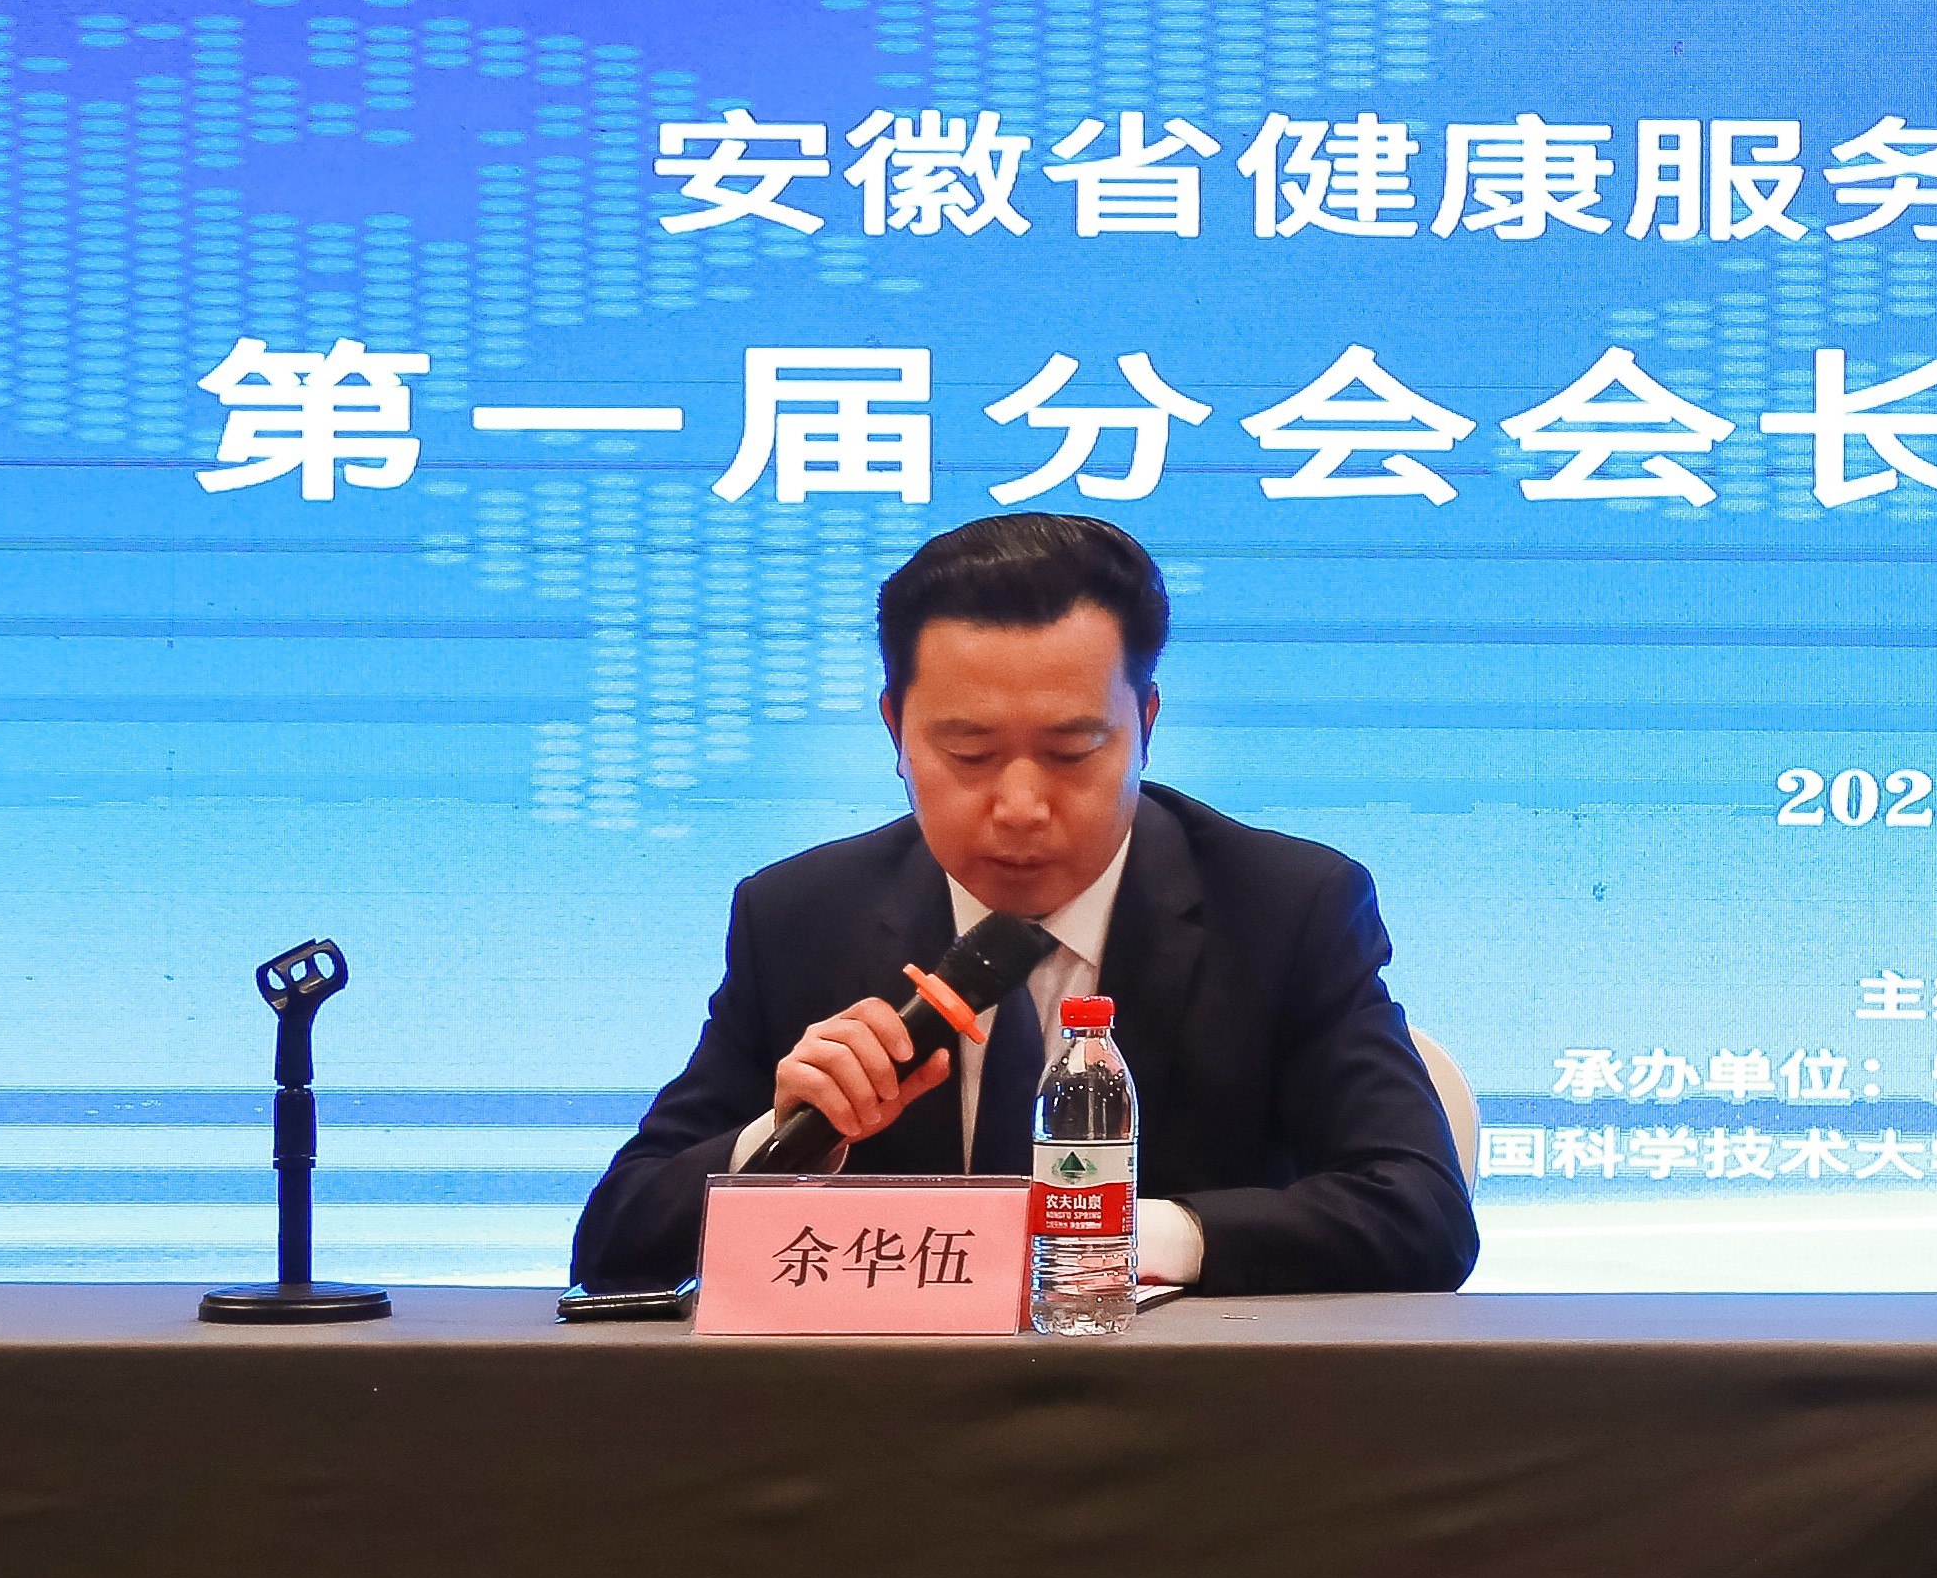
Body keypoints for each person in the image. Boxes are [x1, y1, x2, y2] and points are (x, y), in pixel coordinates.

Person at [569, 512, 1477, 1298]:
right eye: (967, 754)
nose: (1020, 806)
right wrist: (786, 1142)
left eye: (1073, 752)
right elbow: (613, 1249)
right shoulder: (800, 915)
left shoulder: (1285, 908)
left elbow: (1419, 1214)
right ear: (894, 731)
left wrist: (1117, 1235)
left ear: (1145, 726)